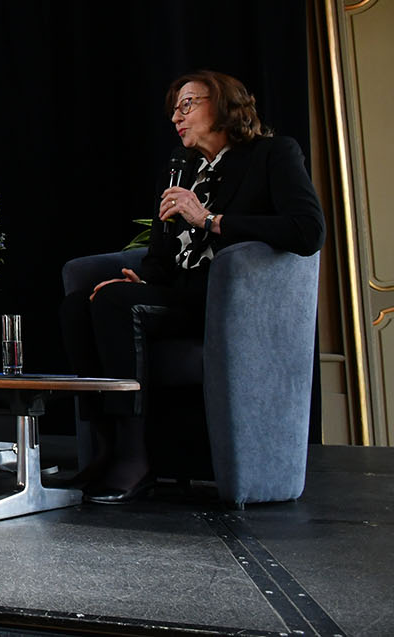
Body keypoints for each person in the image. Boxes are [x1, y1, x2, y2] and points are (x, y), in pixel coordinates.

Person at [61, 70, 325, 504]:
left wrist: (210, 220)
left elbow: (308, 230)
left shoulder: (272, 155)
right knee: (79, 305)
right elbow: (162, 262)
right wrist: (140, 279)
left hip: (229, 303)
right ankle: (105, 448)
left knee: (112, 304)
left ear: (224, 106)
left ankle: (134, 456)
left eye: (188, 105)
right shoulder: (183, 172)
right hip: (181, 293)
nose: (177, 118)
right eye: (174, 110)